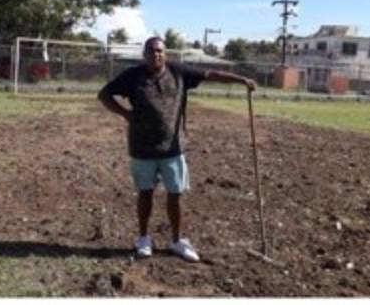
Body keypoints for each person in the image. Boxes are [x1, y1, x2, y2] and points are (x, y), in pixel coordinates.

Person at [98, 36, 256, 262]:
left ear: (166, 54)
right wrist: (126, 114)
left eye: (160, 51)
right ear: (144, 55)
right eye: (151, 51)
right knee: (145, 193)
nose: (156, 55)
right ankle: (143, 238)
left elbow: (211, 75)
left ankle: (177, 240)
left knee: (175, 195)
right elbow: (104, 95)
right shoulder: (132, 76)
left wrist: (242, 80)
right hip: (142, 147)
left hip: (173, 147)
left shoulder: (178, 72)